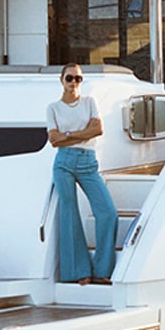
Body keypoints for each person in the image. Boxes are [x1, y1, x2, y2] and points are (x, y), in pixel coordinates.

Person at [47, 64, 117, 285]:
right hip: (63, 162)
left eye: (78, 78)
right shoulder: (53, 108)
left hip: (88, 162)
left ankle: (102, 270)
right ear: (61, 80)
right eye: (70, 78)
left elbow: (97, 130)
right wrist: (80, 134)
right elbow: (54, 140)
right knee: (69, 216)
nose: (74, 82)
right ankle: (78, 273)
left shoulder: (89, 102)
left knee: (107, 212)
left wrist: (67, 135)